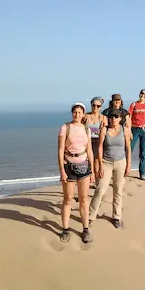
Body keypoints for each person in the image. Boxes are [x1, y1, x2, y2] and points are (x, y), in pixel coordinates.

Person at [57, 103, 93, 244]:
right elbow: (60, 150)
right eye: (75, 112)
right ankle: (65, 229)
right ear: (72, 113)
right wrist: (62, 171)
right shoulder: (65, 128)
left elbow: (89, 150)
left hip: (84, 165)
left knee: (84, 200)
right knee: (68, 199)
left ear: (83, 114)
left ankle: (85, 229)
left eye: (80, 112)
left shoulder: (86, 129)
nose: (77, 115)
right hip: (69, 166)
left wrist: (93, 171)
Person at [89, 108, 132, 229]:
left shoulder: (125, 130)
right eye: (112, 116)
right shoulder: (104, 129)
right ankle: (91, 216)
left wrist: (128, 165)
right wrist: (101, 166)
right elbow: (100, 147)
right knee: (100, 189)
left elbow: (128, 148)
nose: (113, 119)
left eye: (116, 117)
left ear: (120, 118)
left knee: (118, 191)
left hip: (121, 162)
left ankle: (116, 216)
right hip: (106, 162)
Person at [128, 89, 145, 180]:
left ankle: (142, 173)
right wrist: (129, 131)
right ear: (139, 94)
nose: (143, 95)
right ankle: (126, 169)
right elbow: (129, 119)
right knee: (129, 150)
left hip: (144, 129)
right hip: (134, 129)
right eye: (142, 93)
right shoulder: (133, 105)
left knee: (143, 152)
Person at [84, 97, 105, 184]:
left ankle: (97, 184)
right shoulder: (85, 116)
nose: (95, 107)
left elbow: (106, 131)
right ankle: (85, 183)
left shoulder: (103, 118)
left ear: (100, 107)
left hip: (97, 141)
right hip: (86, 141)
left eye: (98, 106)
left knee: (96, 165)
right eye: (94, 105)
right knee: (86, 163)